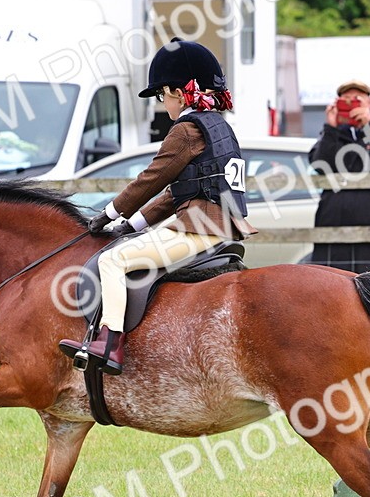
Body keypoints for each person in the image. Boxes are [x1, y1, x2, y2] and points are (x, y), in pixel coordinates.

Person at [58, 39, 256, 374]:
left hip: (199, 228)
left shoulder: (186, 130)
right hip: (217, 224)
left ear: (176, 92)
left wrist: (106, 215)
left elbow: (150, 180)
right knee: (126, 248)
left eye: (163, 96)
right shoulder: (219, 127)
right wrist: (132, 225)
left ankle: (108, 345)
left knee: (112, 260)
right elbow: (176, 191)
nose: (164, 104)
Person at [308, 79, 370, 274]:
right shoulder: (330, 134)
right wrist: (331, 129)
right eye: (346, 100)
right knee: (331, 291)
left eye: (358, 99)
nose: (352, 104)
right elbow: (320, 165)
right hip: (334, 230)